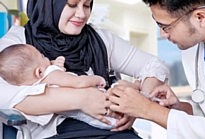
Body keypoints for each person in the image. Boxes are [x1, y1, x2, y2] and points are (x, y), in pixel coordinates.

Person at [0, 0, 169, 138]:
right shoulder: (19, 43)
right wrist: (82, 99)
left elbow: (154, 65)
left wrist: (140, 104)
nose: (82, 14)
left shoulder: (100, 39)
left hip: (112, 130)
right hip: (57, 134)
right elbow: (3, 94)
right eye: (72, 5)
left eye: (87, 5)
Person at [109, 0, 205, 138]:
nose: (163, 34)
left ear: (200, 18)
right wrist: (181, 108)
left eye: (166, 26)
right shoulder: (193, 48)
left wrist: (148, 110)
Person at [0, 43, 119, 130]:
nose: (46, 58)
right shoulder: (51, 74)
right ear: (39, 72)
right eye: (42, 56)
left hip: (88, 118)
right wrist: (97, 79)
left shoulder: (33, 87)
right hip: (99, 107)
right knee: (119, 92)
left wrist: (55, 63)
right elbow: (79, 82)